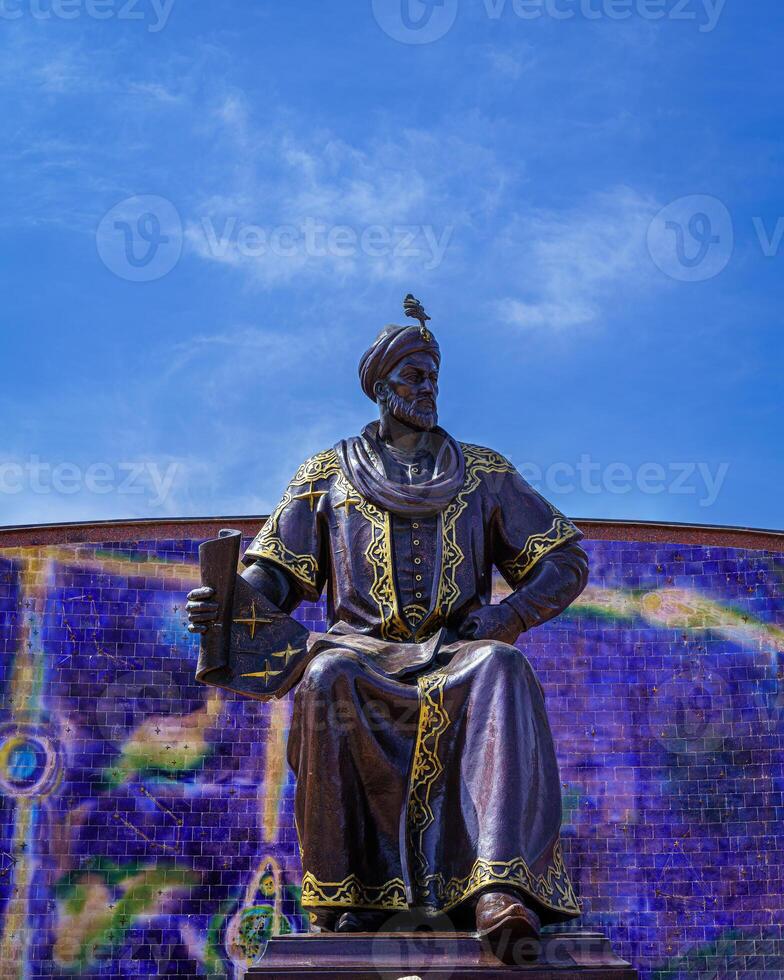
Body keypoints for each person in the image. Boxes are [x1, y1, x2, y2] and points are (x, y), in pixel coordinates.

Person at [186, 298, 588, 955]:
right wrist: (228, 602)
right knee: (327, 674)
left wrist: (509, 615)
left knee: (502, 666)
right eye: (413, 376)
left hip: (457, 654)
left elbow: (565, 559)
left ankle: (498, 890)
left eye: (433, 376)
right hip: (363, 657)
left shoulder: (483, 472)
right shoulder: (327, 474)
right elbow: (277, 576)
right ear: (379, 387)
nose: (428, 389)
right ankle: (346, 897)